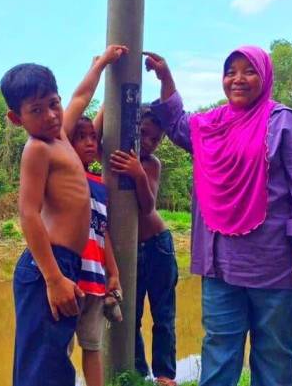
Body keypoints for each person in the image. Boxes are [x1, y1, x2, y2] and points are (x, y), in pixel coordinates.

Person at [143, 47, 292, 386]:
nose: (238, 79)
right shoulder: (212, 125)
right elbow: (177, 123)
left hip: (276, 264)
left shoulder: (285, 122)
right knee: (218, 349)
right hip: (221, 265)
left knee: (273, 355)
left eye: (249, 71)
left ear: (265, 76)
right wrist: (166, 79)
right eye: (231, 72)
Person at [0, 44, 127, 386]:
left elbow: (81, 96)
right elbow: (28, 214)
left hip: (66, 264)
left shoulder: (61, 139)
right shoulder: (37, 149)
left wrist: (101, 64)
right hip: (47, 267)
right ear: (17, 118)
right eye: (36, 110)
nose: (52, 116)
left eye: (53, 104)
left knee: (54, 360)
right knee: (42, 366)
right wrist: (54, 279)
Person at [103, 107, 178, 386]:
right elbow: (97, 130)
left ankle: (164, 375)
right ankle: (137, 374)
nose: (148, 142)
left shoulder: (151, 164)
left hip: (158, 245)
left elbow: (147, 207)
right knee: (130, 315)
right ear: (133, 130)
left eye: (155, 139)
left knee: (164, 314)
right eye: (144, 134)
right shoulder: (111, 152)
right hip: (127, 251)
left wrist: (138, 175)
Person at [69, 114, 122, 386]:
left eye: (93, 137)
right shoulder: (65, 176)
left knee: (93, 347)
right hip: (69, 280)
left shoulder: (100, 185)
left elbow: (102, 233)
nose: (90, 142)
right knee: (60, 351)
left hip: (95, 280)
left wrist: (112, 273)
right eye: (81, 137)